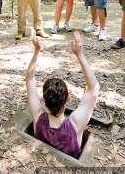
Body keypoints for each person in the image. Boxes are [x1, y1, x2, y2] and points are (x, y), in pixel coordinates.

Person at [26, 29, 99, 158]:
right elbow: (94, 87)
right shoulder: (75, 124)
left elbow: (30, 79)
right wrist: (79, 55)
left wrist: (36, 51)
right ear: (68, 99)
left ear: (44, 99)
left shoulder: (38, 117)